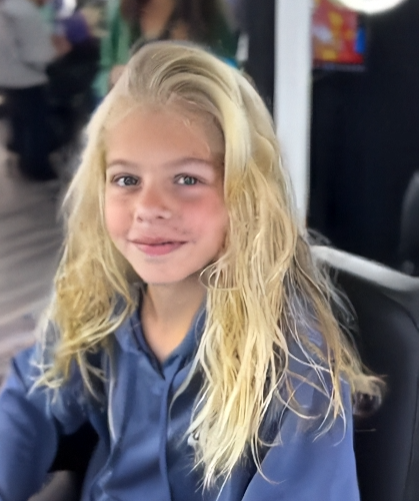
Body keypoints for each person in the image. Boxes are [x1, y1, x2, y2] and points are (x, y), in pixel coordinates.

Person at [0, 41, 381, 500]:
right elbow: (29, 403)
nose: (149, 207)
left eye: (187, 179)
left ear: (244, 195)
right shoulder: (100, 304)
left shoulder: (293, 364)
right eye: (126, 179)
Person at [93, 0, 238, 99]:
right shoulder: (119, 10)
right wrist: (113, 77)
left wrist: (195, 67)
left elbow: (231, 71)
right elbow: (100, 77)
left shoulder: (208, 10)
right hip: (131, 116)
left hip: (192, 117)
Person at [0, 0, 71, 181]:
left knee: (18, 120)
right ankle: (36, 169)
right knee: (35, 125)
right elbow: (36, 55)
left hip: (8, 76)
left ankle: (20, 154)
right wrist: (58, 52)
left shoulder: (9, 8)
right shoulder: (26, 13)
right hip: (28, 78)